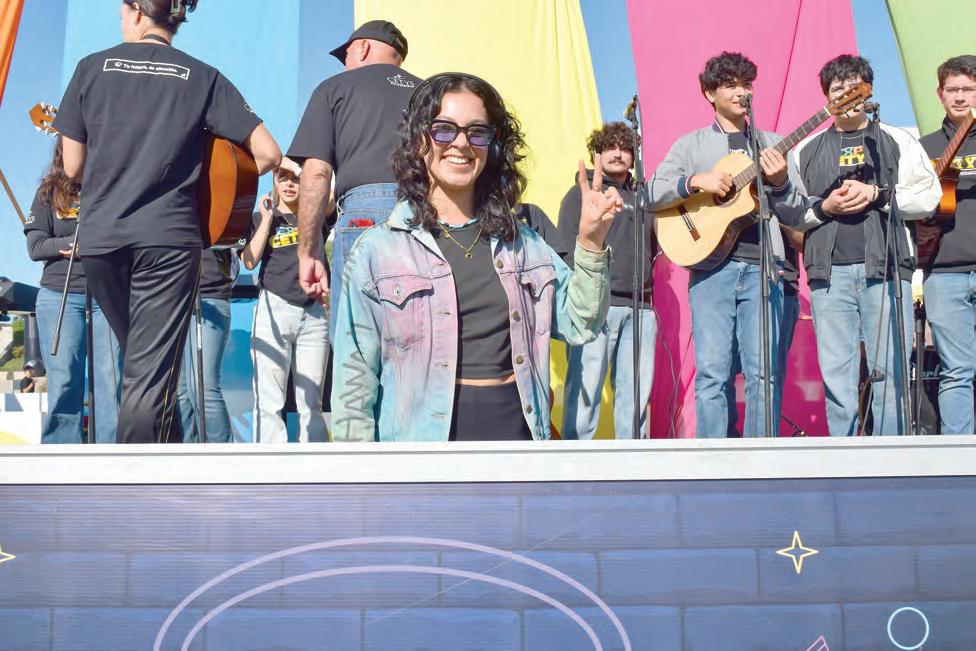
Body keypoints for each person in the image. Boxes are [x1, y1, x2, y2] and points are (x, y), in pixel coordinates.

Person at [330, 72, 620, 442]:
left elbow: (581, 323)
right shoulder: (377, 251)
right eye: (444, 130)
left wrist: (592, 241)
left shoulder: (523, 243)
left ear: (493, 147)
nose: (461, 143)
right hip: (422, 454)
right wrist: (361, 473)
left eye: (477, 132)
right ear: (419, 138)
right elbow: (354, 383)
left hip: (517, 443)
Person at [53, 0, 281, 443]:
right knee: (149, 373)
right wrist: (211, 188)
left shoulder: (90, 67)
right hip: (169, 239)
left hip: (102, 241)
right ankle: (145, 475)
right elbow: (268, 153)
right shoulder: (203, 75)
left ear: (137, 11)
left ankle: (149, 470)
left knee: (144, 368)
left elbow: (73, 166)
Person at [648, 51, 806, 438]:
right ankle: (713, 461)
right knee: (712, 374)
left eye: (746, 85)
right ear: (709, 94)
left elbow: (799, 212)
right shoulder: (691, 146)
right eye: (731, 85)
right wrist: (693, 182)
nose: (741, 92)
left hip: (764, 269)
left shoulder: (772, 144)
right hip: (711, 271)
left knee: (763, 374)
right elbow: (651, 192)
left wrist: (782, 183)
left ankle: (760, 461)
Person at [783, 54, 940, 436]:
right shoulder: (805, 149)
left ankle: (890, 456)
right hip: (827, 276)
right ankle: (843, 456)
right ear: (827, 97)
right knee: (837, 373)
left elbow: (929, 197)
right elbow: (790, 212)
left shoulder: (896, 139)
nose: (846, 95)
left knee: (890, 370)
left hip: (886, 270)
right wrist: (825, 207)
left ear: (867, 91)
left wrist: (877, 194)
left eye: (853, 87)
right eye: (838, 88)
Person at [288, 20, 421, 339]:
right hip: (424, 211)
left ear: (362, 48)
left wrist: (308, 252)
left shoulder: (334, 88)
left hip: (364, 213)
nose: (345, 64)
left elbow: (317, 172)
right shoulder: (428, 93)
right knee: (417, 334)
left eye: (345, 55)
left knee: (357, 341)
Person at [558, 122, 656, 439]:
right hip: (596, 309)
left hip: (641, 309)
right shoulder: (582, 194)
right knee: (583, 398)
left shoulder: (645, 198)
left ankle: (635, 465)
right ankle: (575, 464)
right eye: (609, 147)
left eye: (625, 147)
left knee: (636, 401)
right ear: (596, 155)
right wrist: (582, 302)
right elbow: (566, 252)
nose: (617, 153)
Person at [22, 138, 121, 443]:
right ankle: (60, 452)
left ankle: (112, 453)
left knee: (111, 379)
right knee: (64, 377)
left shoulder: (113, 189)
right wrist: (73, 246)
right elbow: (36, 246)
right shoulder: (48, 192)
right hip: (59, 295)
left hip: (107, 295)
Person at [240, 158, 330, 443]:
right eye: (283, 178)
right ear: (274, 183)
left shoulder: (317, 217)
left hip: (313, 315)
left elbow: (328, 194)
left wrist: (305, 172)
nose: (289, 184)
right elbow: (249, 261)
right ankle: (270, 467)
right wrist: (267, 220)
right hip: (274, 310)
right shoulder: (260, 220)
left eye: (296, 179)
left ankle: (315, 466)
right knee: (269, 401)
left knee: (311, 403)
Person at [918, 54, 976, 434]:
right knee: (957, 372)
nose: (959, 97)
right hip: (943, 274)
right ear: (940, 94)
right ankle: (960, 456)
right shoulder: (923, 148)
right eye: (952, 89)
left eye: (968, 89)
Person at [174, 248, 235, 442]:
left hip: (209, 295)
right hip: (174, 300)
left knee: (203, 388)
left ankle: (223, 453)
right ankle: (190, 453)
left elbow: (237, 256)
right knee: (181, 392)